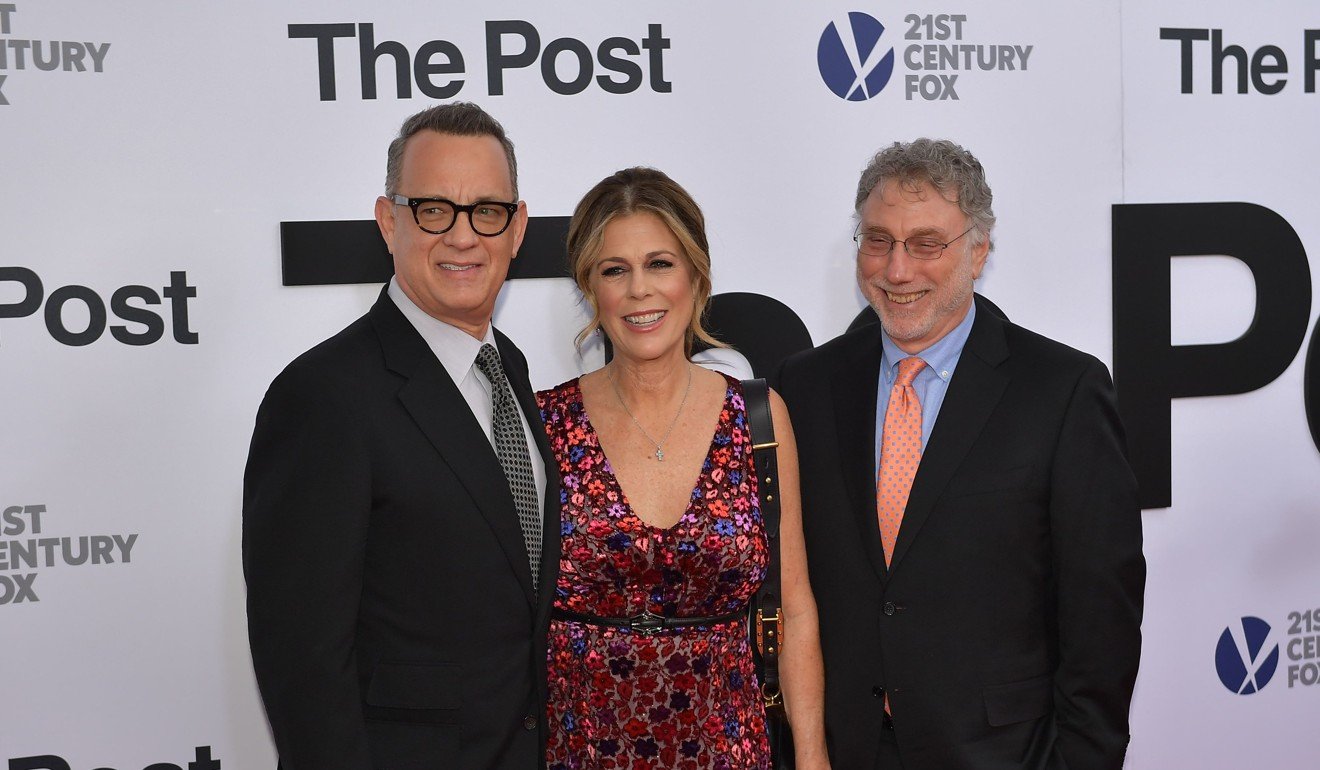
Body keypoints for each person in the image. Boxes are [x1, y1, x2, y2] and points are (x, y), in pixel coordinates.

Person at [778, 139, 1145, 770]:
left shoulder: (1062, 390)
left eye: (925, 244)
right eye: (877, 240)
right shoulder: (804, 387)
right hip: (845, 749)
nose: (896, 270)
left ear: (978, 251)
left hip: (1005, 753)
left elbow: (1101, 620)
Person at [243, 102, 558, 770]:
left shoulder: (513, 372)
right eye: (434, 209)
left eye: (487, 211)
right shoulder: (323, 396)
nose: (464, 237)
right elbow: (303, 665)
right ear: (390, 222)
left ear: (517, 227)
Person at [536, 167, 830, 770]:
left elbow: (795, 607)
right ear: (592, 290)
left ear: (696, 277)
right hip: (581, 751)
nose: (640, 289)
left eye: (660, 263)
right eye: (615, 270)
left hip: (731, 749)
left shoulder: (758, 419)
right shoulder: (544, 426)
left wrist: (812, 756)